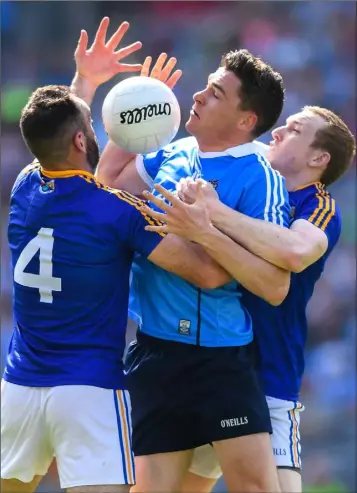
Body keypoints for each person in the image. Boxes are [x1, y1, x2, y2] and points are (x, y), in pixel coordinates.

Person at [0, 20, 232, 493]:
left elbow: (57, 136)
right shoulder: (118, 211)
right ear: (83, 140)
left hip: (18, 386)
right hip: (89, 390)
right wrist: (213, 226)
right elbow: (207, 275)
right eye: (93, 125)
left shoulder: (24, 187)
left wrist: (85, 82)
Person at [74, 23, 292, 491]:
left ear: (245, 121)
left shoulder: (260, 178)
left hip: (221, 358)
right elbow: (105, 188)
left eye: (216, 93)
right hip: (155, 352)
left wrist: (205, 232)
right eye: (206, 85)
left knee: (256, 488)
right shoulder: (166, 155)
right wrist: (130, 119)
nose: (198, 95)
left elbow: (272, 281)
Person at [142, 105, 356, 493]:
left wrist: (215, 215)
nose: (276, 131)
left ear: (318, 158)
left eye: (294, 130)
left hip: (266, 377)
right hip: (205, 364)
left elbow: (294, 251)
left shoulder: (317, 205)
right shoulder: (246, 177)